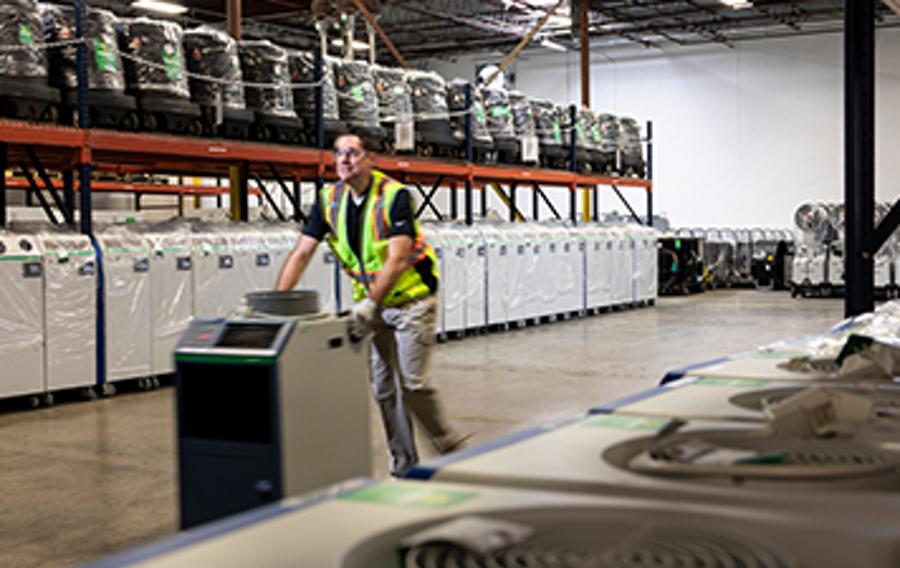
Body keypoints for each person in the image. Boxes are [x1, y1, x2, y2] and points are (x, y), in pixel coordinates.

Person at [275, 132, 467, 477]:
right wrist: (275, 304)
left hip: (411, 300)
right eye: (338, 154)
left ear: (371, 159)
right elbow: (302, 252)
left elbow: (397, 258)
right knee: (382, 388)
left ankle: (447, 443)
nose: (344, 160)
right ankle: (404, 465)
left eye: (353, 153)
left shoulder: (394, 196)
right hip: (373, 304)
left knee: (414, 384)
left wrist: (368, 306)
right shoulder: (328, 200)